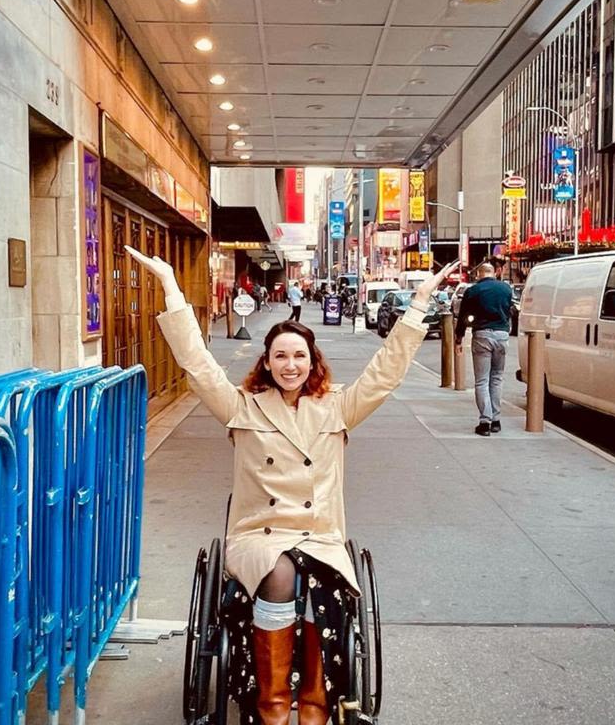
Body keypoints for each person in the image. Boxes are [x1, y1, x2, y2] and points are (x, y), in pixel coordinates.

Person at [125, 243, 456, 725]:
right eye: (280, 355)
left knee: (320, 578)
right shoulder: (241, 406)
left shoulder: (338, 407)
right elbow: (197, 365)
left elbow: (385, 375)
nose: (290, 364)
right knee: (280, 572)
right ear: (266, 361)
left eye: (298, 355)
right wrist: (172, 289)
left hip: (319, 534)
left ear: (311, 360)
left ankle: (317, 705)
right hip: (261, 534)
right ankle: (274, 704)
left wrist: (420, 302)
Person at [455, 262, 513, 436]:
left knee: (481, 380)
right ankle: (496, 420)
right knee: (497, 378)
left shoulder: (473, 291)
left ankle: (485, 421)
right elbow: (509, 310)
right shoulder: (506, 289)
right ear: (494, 273)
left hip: (482, 336)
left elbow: (464, 317)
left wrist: (459, 338)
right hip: (502, 335)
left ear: (479, 274)